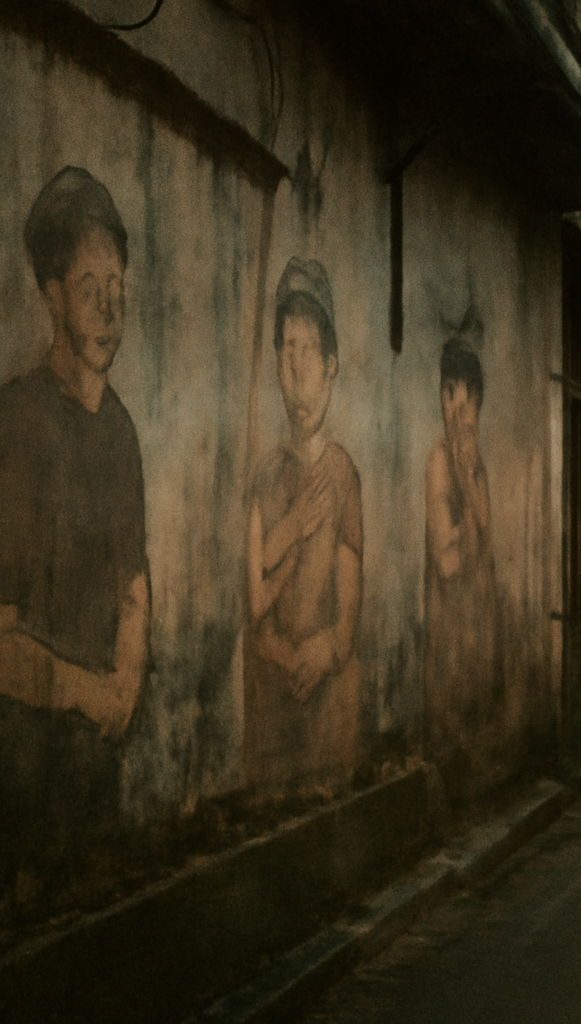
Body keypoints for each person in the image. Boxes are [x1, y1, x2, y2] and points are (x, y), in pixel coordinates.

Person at [0, 166, 150, 884]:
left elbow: (136, 586)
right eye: (89, 288)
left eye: (118, 290)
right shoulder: (14, 427)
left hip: (104, 756)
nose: (108, 310)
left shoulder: (122, 432)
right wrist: (91, 692)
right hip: (33, 767)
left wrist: (128, 678)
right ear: (51, 296)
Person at [245, 258, 362, 792]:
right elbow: (256, 607)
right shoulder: (266, 477)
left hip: (328, 707)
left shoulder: (341, 474)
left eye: (309, 349)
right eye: (287, 348)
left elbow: (348, 600)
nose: (296, 366)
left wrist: (329, 647)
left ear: (332, 363)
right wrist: (282, 652)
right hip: (272, 707)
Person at [424, 338, 500, 795]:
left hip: (478, 621)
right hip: (450, 623)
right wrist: (470, 520)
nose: (455, 408)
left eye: (464, 396)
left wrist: (471, 502)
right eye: (447, 392)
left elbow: (485, 542)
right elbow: (448, 560)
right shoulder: (440, 460)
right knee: (450, 732)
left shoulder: (475, 466)